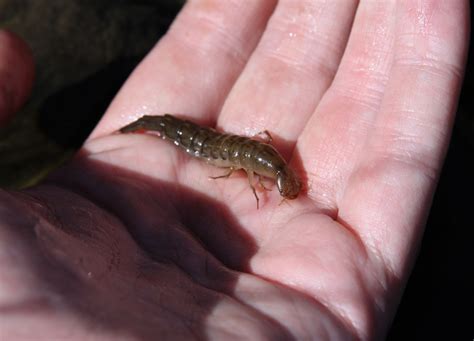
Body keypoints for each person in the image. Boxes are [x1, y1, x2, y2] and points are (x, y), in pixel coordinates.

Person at [0, 1, 469, 339]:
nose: (288, 183)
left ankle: (146, 125)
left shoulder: (269, 161)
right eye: (287, 182)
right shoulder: (268, 162)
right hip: (204, 142)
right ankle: (145, 125)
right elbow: (252, 161)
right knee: (173, 131)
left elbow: (255, 158)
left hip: (219, 147)